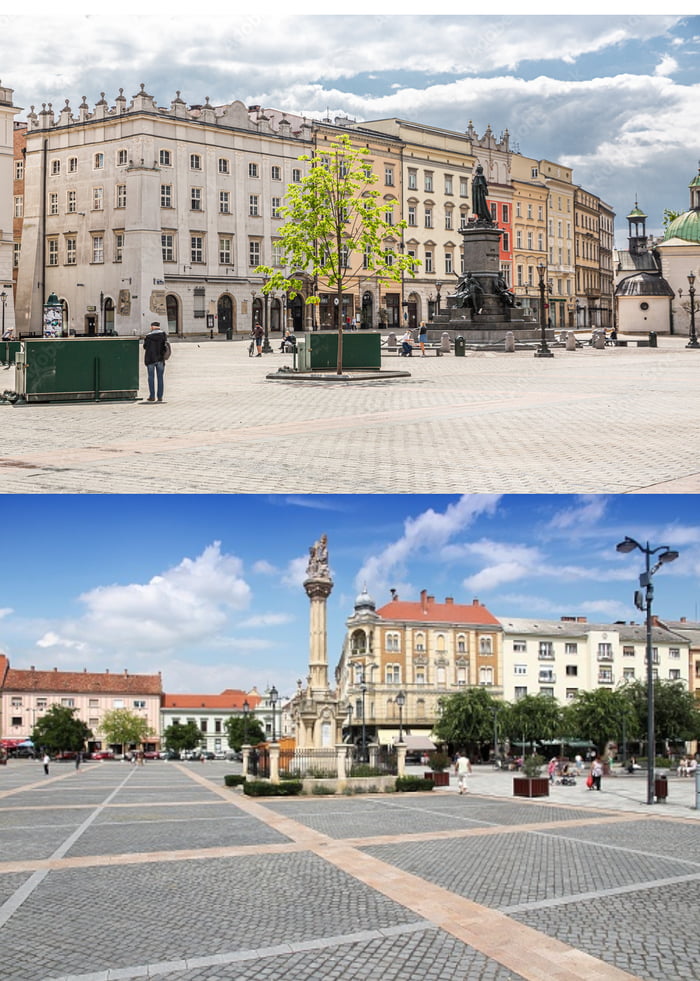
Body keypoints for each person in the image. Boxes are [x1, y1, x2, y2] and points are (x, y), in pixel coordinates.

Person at [143, 321, 168, 402]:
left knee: (151, 378)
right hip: (160, 359)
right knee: (160, 378)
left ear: (152, 327)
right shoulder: (163, 335)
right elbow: (165, 346)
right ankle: (160, 397)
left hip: (150, 359)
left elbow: (145, 347)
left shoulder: (148, 336)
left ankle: (152, 396)